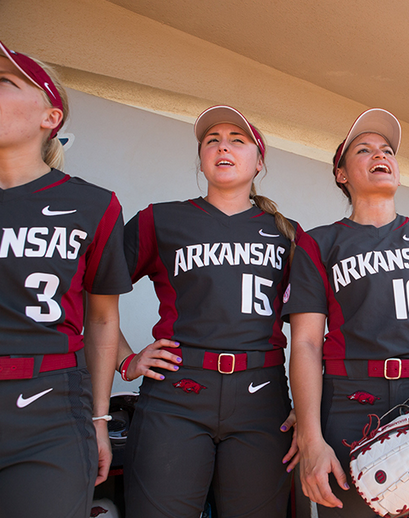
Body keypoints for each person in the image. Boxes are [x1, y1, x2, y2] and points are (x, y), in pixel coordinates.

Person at [283, 108, 409, 517]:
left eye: (387, 150)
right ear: (341, 174)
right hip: (350, 404)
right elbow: (303, 343)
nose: (380, 155)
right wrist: (312, 438)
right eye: (364, 150)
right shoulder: (318, 243)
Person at [119, 105, 301, 518]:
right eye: (211, 141)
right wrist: (125, 359)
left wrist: (308, 407)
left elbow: (312, 332)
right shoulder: (159, 219)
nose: (223, 146)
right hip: (176, 392)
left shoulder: (287, 233)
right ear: (201, 159)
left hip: (262, 395)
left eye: (238, 140)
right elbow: (94, 293)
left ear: (259, 162)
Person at [0, 40, 131, 517]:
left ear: (49, 116)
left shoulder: (94, 204)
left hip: (51, 413)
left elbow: (101, 320)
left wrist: (99, 418)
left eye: (4, 82)